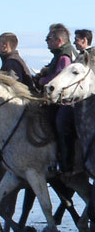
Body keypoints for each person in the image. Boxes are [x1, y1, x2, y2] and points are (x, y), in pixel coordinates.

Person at [0, 33, 35, 194]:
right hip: (17, 111)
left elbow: (9, 90)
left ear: (5, 45)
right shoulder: (13, 61)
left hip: (16, 114)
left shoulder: (12, 63)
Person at [36, 24, 77, 173]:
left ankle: (63, 162)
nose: (47, 42)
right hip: (62, 99)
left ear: (58, 41)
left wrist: (43, 80)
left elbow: (60, 76)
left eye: (49, 39)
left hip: (66, 101)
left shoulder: (64, 56)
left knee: (58, 122)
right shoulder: (61, 54)